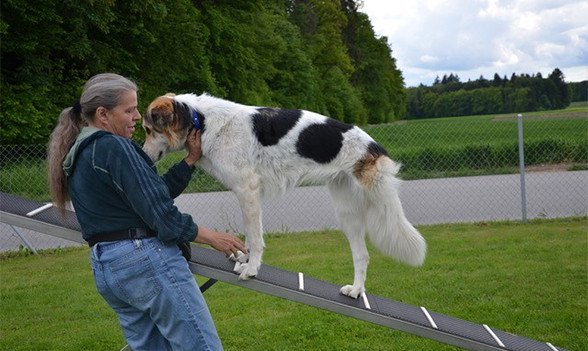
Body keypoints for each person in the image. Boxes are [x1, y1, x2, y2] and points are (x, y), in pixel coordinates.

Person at [47, 73, 247, 350]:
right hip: (144, 261)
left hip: (107, 268)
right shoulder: (114, 147)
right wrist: (214, 237)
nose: (138, 117)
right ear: (103, 114)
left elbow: (151, 194)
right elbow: (163, 216)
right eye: (129, 110)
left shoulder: (81, 151)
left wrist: (189, 160)